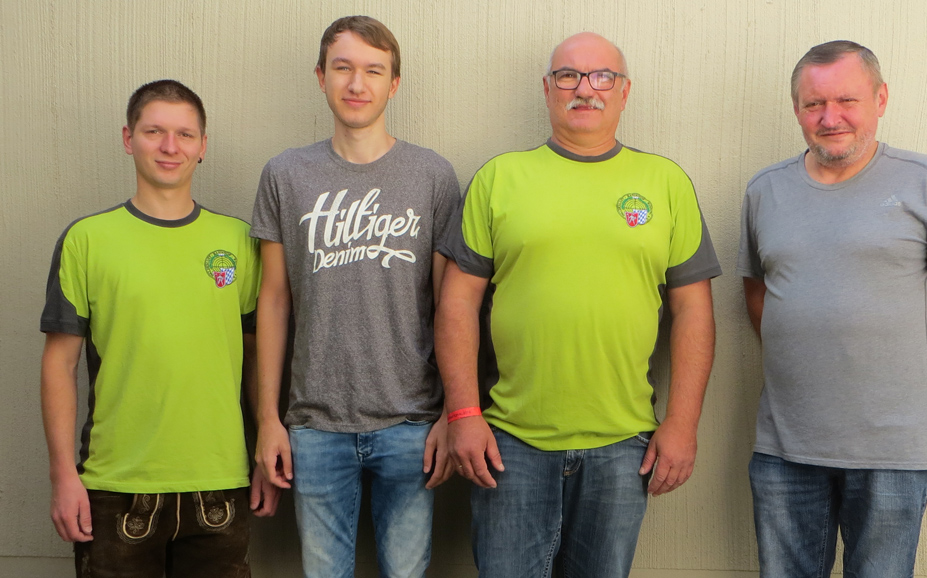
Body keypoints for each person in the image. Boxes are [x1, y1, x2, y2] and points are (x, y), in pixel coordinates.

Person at [436, 32, 721, 578]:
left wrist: (683, 424)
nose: (585, 89)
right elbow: (456, 305)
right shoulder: (498, 179)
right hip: (509, 440)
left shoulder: (666, 183)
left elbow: (694, 313)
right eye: (568, 76)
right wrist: (463, 414)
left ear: (624, 91)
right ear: (548, 89)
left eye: (601, 76)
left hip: (623, 443)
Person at [737, 40, 927, 577]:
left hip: (892, 449)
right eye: (814, 104)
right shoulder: (765, 190)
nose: (830, 117)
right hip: (786, 443)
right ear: (797, 109)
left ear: (880, 99)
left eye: (847, 101)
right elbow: (757, 291)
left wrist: (911, 374)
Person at [40, 79, 279, 578]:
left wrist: (263, 449)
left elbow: (257, 356)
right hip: (115, 485)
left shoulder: (239, 241)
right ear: (129, 139)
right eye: (154, 132)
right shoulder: (87, 240)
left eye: (185, 134)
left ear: (203, 146)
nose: (171, 147)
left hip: (220, 482)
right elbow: (59, 365)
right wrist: (63, 475)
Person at [250, 15, 461, 578]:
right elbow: (273, 301)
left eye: (373, 70)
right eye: (342, 68)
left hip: (412, 423)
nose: (356, 83)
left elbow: (451, 308)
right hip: (315, 424)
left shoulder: (432, 175)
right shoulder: (285, 174)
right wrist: (269, 419)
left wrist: (451, 413)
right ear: (321, 77)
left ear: (395, 84)